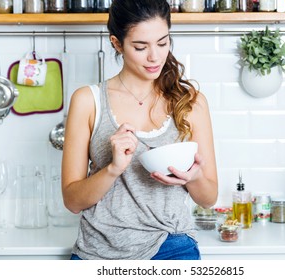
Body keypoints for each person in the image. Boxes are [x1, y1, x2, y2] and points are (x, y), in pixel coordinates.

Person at [61, 0, 218, 260]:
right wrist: (113, 168)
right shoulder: (88, 101)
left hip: (172, 247)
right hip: (98, 252)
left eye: (163, 42)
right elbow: (73, 201)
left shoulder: (190, 102)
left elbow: (208, 198)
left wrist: (193, 177)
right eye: (140, 47)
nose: (155, 56)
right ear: (116, 43)